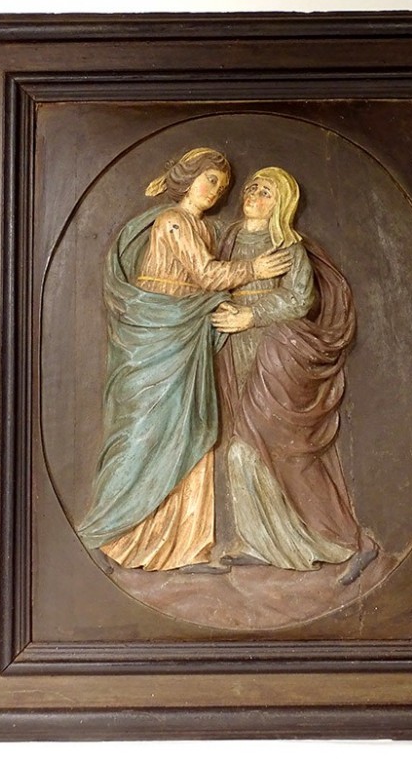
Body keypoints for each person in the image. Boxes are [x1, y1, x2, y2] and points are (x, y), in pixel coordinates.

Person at [76, 149, 293, 574]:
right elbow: (206, 275)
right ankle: (114, 535)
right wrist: (255, 269)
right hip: (156, 337)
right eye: (210, 180)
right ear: (188, 177)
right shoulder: (172, 221)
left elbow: (204, 283)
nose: (216, 191)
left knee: (191, 431)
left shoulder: (203, 228)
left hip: (185, 339)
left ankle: (186, 547)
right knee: (144, 436)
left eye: (222, 186)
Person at [211, 167, 378, 585]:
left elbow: (300, 298)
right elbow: (210, 280)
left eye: (267, 192)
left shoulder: (286, 244)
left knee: (286, 448)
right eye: (253, 187)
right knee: (240, 448)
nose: (254, 195)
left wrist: (251, 315)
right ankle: (262, 542)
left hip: (278, 355)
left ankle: (344, 541)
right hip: (236, 351)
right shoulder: (229, 239)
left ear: (282, 204)